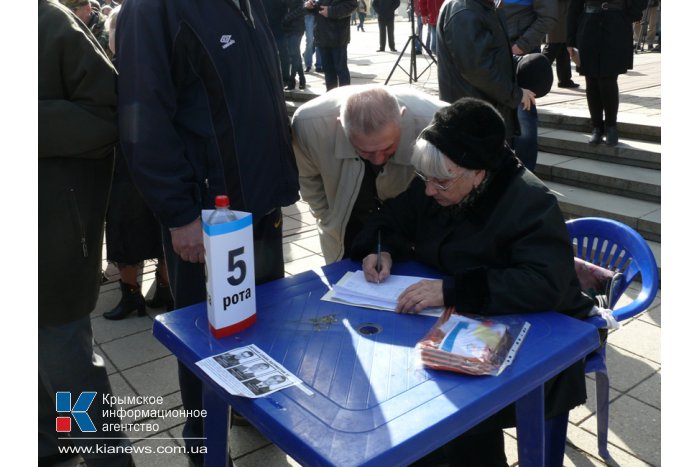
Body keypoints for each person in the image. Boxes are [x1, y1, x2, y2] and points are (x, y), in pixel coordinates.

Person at [350, 98, 595, 465]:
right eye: (426, 179)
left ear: (478, 173)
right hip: (446, 330)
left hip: (530, 341)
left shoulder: (528, 202)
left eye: (441, 183)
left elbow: (545, 283)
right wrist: (379, 248)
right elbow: (392, 218)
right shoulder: (441, 178)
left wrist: (453, 290)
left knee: (455, 424)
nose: (429, 190)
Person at [115, 0, 300, 463]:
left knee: (261, 328)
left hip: (261, 206)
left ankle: (253, 413)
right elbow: (143, 117)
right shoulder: (152, 9)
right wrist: (179, 215)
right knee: (206, 341)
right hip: (208, 220)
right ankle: (205, 446)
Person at [38, 1, 134, 465]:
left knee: (68, 367)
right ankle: (51, 442)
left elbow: (105, 115)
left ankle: (106, 458)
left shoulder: (47, 21)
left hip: (48, 241)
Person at [291, 85, 446, 263]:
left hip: (411, 225)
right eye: (365, 151)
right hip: (348, 222)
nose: (378, 160)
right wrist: (327, 215)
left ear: (401, 117)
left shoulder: (436, 121)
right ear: (340, 124)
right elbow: (308, 178)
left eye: (388, 148)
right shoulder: (309, 125)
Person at [100, 6, 174, 321]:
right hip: (157, 163)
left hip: (127, 165)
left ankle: (144, 293)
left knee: (129, 231)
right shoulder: (161, 63)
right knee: (155, 227)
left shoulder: (109, 72)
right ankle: (159, 289)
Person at [437, 0, 536, 160]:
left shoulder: (483, 6)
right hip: (474, 123)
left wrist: (520, 63)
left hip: (487, 117)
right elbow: (477, 69)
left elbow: (491, 54)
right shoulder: (464, 11)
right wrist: (515, 94)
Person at [567, 0, 645, 147]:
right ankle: (596, 127)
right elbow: (574, 6)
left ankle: (611, 126)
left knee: (608, 79)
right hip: (588, 26)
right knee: (591, 80)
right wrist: (570, 40)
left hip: (616, 26)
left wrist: (628, 14)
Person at [498, 0, 556, 171]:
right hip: (497, 55)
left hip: (522, 57)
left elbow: (549, 17)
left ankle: (525, 178)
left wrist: (520, 46)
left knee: (524, 121)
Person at [305, 0, 358, 91]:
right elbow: (319, 5)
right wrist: (310, 6)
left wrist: (331, 11)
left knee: (341, 70)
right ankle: (331, 98)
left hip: (338, 37)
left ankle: (345, 99)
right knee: (328, 71)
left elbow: (352, 6)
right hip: (322, 36)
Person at [543, 0, 579, 88]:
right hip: (557, 16)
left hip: (563, 15)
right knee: (553, 48)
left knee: (564, 48)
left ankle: (565, 79)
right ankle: (534, 74)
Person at [283, 0, 308, 90]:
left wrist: (287, 17)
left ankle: (292, 80)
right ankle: (302, 79)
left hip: (297, 27)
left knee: (294, 54)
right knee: (296, 53)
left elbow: (302, 8)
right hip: (287, 27)